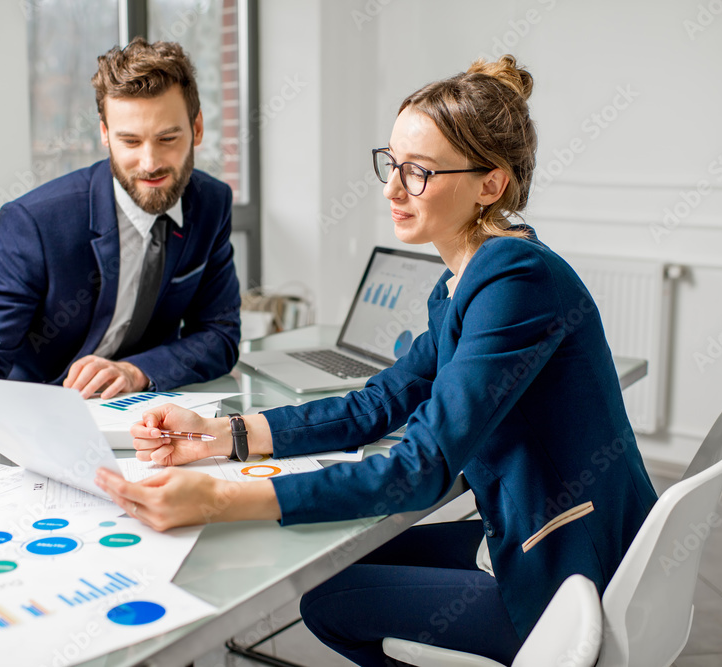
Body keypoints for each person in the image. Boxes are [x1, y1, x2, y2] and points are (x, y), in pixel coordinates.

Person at [94, 55, 658, 665]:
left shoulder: (514, 280)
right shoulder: (464, 281)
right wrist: (219, 436)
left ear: (490, 184)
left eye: (418, 173)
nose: (392, 189)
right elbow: (380, 402)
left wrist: (217, 501)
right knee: (334, 578)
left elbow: (423, 469)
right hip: (540, 536)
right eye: (392, 164)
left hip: (567, 584)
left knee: (330, 601)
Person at [0, 38, 241, 438]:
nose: (150, 164)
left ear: (197, 128)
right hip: (42, 427)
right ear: (105, 134)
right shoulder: (36, 222)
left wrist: (135, 371)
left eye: (168, 138)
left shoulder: (212, 203)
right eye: (130, 141)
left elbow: (220, 336)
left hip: (148, 420)